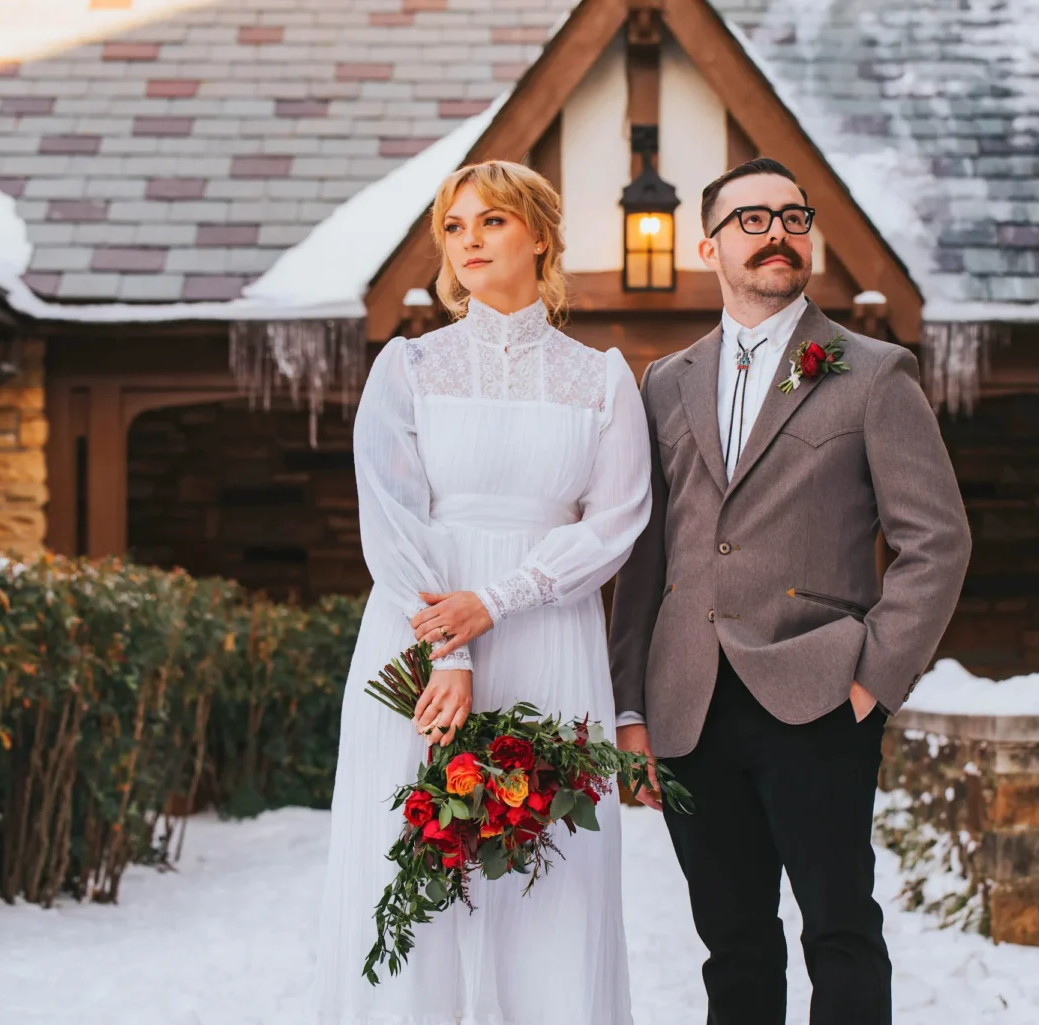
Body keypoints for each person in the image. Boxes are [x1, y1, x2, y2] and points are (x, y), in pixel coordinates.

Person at [608, 157, 971, 1025]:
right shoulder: (664, 382)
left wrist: (873, 678)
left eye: (794, 216)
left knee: (840, 932)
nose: (779, 231)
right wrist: (628, 708)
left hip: (817, 697)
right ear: (708, 246)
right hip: (688, 702)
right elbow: (645, 556)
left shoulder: (874, 373)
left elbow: (937, 541)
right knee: (733, 943)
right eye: (753, 219)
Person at [314, 160, 652, 1025]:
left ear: (539, 234)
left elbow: (617, 520)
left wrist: (498, 599)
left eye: (491, 222)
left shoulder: (602, 377)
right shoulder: (409, 367)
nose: (469, 241)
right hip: (421, 635)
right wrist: (453, 645)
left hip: (549, 636)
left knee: (551, 870)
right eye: (454, 227)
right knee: (418, 862)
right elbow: (391, 516)